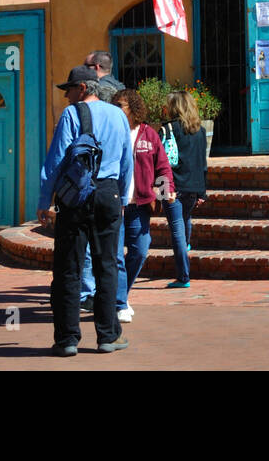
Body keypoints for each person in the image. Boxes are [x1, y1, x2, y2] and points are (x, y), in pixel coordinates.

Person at [37, 65, 133, 356]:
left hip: (76, 195)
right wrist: (123, 198)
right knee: (107, 264)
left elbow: (56, 161)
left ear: (83, 89)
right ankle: (108, 335)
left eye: (69, 90)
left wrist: (45, 198)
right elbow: (127, 159)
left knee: (69, 267)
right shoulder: (118, 114)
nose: (66, 97)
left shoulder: (71, 114)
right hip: (109, 192)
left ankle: (67, 339)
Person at [113, 89, 175, 322]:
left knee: (139, 249)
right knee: (116, 255)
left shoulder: (149, 135)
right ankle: (119, 303)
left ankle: (120, 294)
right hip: (114, 205)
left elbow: (163, 166)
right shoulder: (112, 132)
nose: (117, 109)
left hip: (140, 204)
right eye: (116, 105)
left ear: (134, 109)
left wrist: (166, 188)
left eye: (122, 105)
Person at [76, 50, 127, 310]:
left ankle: (88, 296)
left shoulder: (78, 110)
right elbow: (126, 157)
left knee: (86, 249)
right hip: (112, 186)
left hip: (89, 181)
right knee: (112, 252)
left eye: (86, 66)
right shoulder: (122, 93)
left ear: (95, 68)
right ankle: (114, 303)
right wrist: (126, 194)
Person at [163, 90, 208, 288]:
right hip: (193, 186)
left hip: (173, 186)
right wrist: (202, 192)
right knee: (185, 219)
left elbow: (161, 162)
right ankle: (186, 248)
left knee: (176, 231)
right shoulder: (201, 131)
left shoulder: (168, 129)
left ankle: (183, 276)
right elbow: (203, 163)